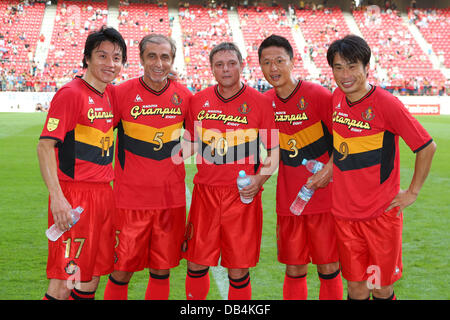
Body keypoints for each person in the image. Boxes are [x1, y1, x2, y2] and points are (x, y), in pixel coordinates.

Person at [326, 35, 436, 300]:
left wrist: (412, 192)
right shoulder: (336, 98)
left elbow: (426, 147)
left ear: (367, 68)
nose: (345, 74)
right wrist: (328, 169)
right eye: (339, 67)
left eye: (352, 66)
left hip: (379, 215)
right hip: (344, 214)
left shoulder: (386, 104)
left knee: (380, 287)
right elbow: (341, 145)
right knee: (355, 287)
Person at [182, 42, 279, 300]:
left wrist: (260, 179)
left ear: (242, 66)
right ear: (212, 69)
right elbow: (189, 145)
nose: (226, 69)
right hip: (205, 194)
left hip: (242, 197)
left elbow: (274, 151)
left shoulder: (260, 102)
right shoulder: (198, 101)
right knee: (196, 263)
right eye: (219, 64)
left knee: (238, 268)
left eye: (231, 63)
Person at [37, 26, 127, 300]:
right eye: (102, 56)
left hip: (103, 194)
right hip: (74, 195)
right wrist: (58, 198)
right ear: (87, 58)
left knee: (91, 277)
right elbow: (44, 146)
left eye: (116, 57)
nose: (110, 64)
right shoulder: (71, 93)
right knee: (67, 279)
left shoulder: (110, 95)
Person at [103, 34, 192, 300]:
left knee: (161, 270)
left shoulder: (185, 96)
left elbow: (199, 139)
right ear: (141, 59)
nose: (158, 62)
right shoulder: (119, 94)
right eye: (152, 56)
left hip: (170, 201)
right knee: (121, 270)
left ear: (172, 60)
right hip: (130, 201)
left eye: (165, 57)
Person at [258, 34, 342, 300]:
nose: (274, 68)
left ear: (292, 62)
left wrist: (328, 170)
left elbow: (344, 140)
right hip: (288, 199)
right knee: (294, 268)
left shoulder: (318, 95)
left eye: (279, 61)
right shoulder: (263, 102)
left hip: (324, 198)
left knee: (328, 266)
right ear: (259, 66)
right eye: (267, 62)